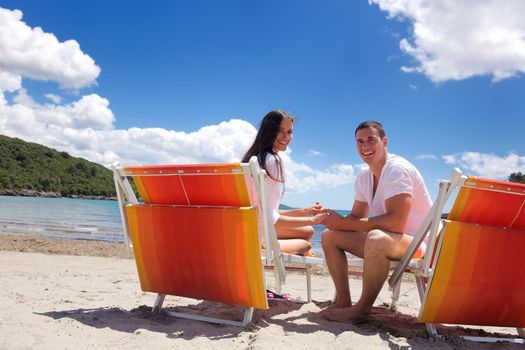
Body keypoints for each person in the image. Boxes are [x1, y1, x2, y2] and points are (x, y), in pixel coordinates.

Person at [319, 120, 432, 322]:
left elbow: (396, 222)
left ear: (384, 142)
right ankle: (343, 302)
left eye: (371, 139)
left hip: (420, 243)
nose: (365, 146)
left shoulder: (397, 170)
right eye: (359, 141)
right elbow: (356, 216)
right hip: (393, 240)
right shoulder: (364, 176)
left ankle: (362, 309)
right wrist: (332, 219)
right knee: (329, 237)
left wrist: (344, 224)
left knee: (376, 238)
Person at [242, 110, 326, 255]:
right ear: (269, 131)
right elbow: (267, 217)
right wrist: (314, 221)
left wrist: (305, 212)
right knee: (306, 243)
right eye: (280, 131)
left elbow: (266, 210)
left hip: (246, 229)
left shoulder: (253, 159)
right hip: (258, 237)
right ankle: (269, 254)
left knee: (308, 231)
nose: (286, 137)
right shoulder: (273, 161)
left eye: (290, 132)